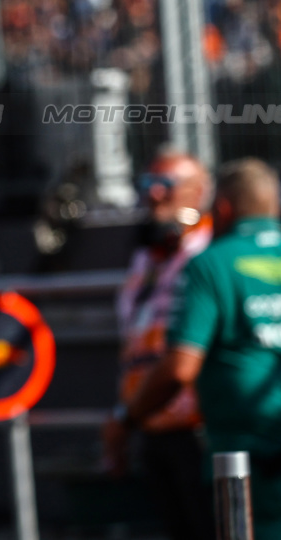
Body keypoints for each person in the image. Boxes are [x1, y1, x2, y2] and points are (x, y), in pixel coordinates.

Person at [117, 158, 281, 540]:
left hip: (246, 445)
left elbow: (180, 368)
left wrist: (127, 421)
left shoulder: (211, 265)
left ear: (222, 208)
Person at [104, 149, 215, 540]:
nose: (153, 195)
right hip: (149, 423)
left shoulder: (210, 256)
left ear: (198, 192)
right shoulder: (147, 258)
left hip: (199, 432)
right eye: (147, 185)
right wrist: (127, 417)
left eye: (165, 185)